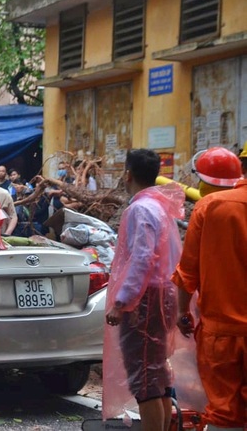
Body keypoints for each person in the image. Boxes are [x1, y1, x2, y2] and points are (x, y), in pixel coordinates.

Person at [103, 149, 184, 431]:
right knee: (157, 377)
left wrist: (122, 301)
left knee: (146, 380)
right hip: (162, 295)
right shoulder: (159, 206)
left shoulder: (140, 209)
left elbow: (142, 257)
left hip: (145, 301)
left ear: (128, 174)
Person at [171, 146, 246, 431]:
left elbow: (187, 271)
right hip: (222, 330)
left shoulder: (209, 206)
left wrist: (181, 311)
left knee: (224, 413)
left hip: (221, 333)